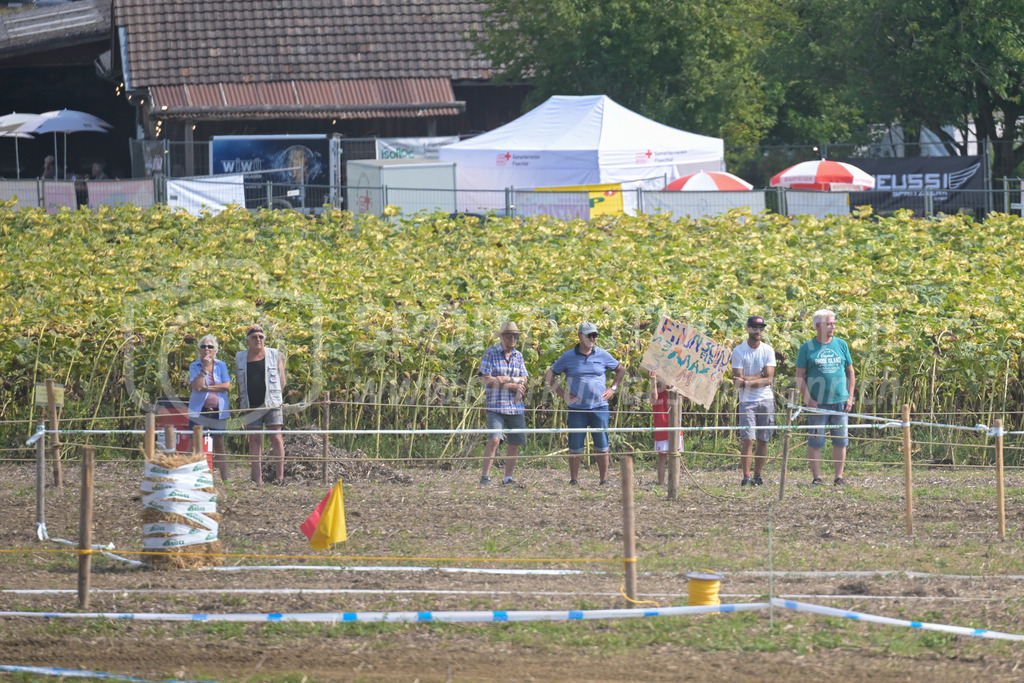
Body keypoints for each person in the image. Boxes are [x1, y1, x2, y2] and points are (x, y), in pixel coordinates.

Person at [544, 322, 626, 486]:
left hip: (599, 407)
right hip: (576, 409)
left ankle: (604, 479)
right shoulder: (568, 357)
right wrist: (562, 394)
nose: (592, 338)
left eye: (595, 335)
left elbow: (621, 369)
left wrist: (613, 388)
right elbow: (549, 374)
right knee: (575, 445)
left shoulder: (602, 354)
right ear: (580, 336)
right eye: (589, 335)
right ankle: (574, 480)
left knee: (602, 444)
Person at [795, 309, 855, 486]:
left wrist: (849, 397)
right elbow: (799, 376)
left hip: (840, 401)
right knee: (816, 441)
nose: (833, 327)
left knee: (841, 440)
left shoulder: (841, 345)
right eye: (829, 324)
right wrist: (809, 400)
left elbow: (850, 372)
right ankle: (817, 477)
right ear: (817, 326)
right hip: (817, 403)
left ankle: (839, 477)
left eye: (833, 323)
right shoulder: (807, 348)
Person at [477, 321, 529, 485]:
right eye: (508, 335)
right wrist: (510, 385)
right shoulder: (490, 353)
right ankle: (485, 476)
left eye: (515, 336)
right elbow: (486, 378)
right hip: (496, 405)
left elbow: (524, 379)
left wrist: (507, 379)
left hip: (515, 406)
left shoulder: (518, 356)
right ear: (501, 337)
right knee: (494, 439)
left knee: (514, 442)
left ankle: (508, 478)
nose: (512, 338)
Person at [235, 324, 286, 484]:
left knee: (276, 437)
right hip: (251, 403)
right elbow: (239, 380)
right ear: (247, 341)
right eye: (254, 337)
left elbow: (282, 379)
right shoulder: (240, 357)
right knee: (254, 439)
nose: (258, 340)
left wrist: (276, 396)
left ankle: (280, 477)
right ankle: (257, 479)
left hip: (272, 403)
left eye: (260, 337)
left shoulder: (274, 354)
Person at [732, 315, 776, 487]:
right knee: (748, 439)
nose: (758, 331)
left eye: (761, 328)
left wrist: (747, 382)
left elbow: (769, 379)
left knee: (763, 439)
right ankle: (746, 476)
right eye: (755, 328)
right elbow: (737, 382)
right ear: (747, 328)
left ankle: (758, 475)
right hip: (747, 402)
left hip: (766, 399)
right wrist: (759, 376)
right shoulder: (739, 351)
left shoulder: (768, 350)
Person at [188, 335, 231, 481]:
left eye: (210, 347)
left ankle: (226, 480)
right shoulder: (195, 366)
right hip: (199, 410)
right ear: (199, 350)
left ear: (215, 350)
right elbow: (197, 386)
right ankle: (188, 477)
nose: (207, 349)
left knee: (219, 445)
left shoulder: (221, 365)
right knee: (194, 444)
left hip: (218, 411)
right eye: (204, 346)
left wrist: (207, 387)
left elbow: (226, 386)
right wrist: (205, 369)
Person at [649, 369, 683, 486]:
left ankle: (675, 482)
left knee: (676, 456)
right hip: (662, 430)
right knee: (662, 457)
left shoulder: (677, 392)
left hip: (676, 429)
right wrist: (653, 380)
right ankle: (661, 482)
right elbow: (654, 395)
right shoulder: (657, 392)